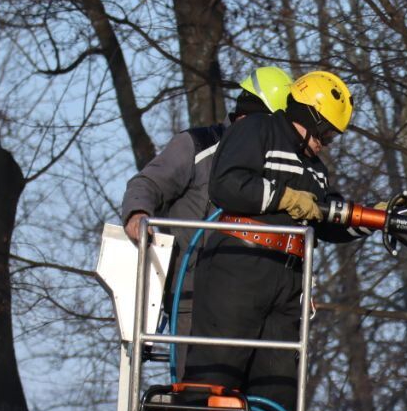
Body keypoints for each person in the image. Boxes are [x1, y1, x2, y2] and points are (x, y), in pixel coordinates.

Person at [182, 70, 366, 411]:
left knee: (278, 372)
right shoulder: (259, 130)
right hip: (239, 266)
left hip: (287, 277)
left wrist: (367, 221)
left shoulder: (314, 167)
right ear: (310, 117)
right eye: (327, 133)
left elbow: (322, 218)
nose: (327, 144)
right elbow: (227, 184)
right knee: (220, 363)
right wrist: (282, 197)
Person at [118, 66, 293, 364]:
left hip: (253, 306)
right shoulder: (197, 146)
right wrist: (137, 214)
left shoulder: (275, 167)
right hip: (192, 299)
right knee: (198, 394)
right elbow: (147, 184)